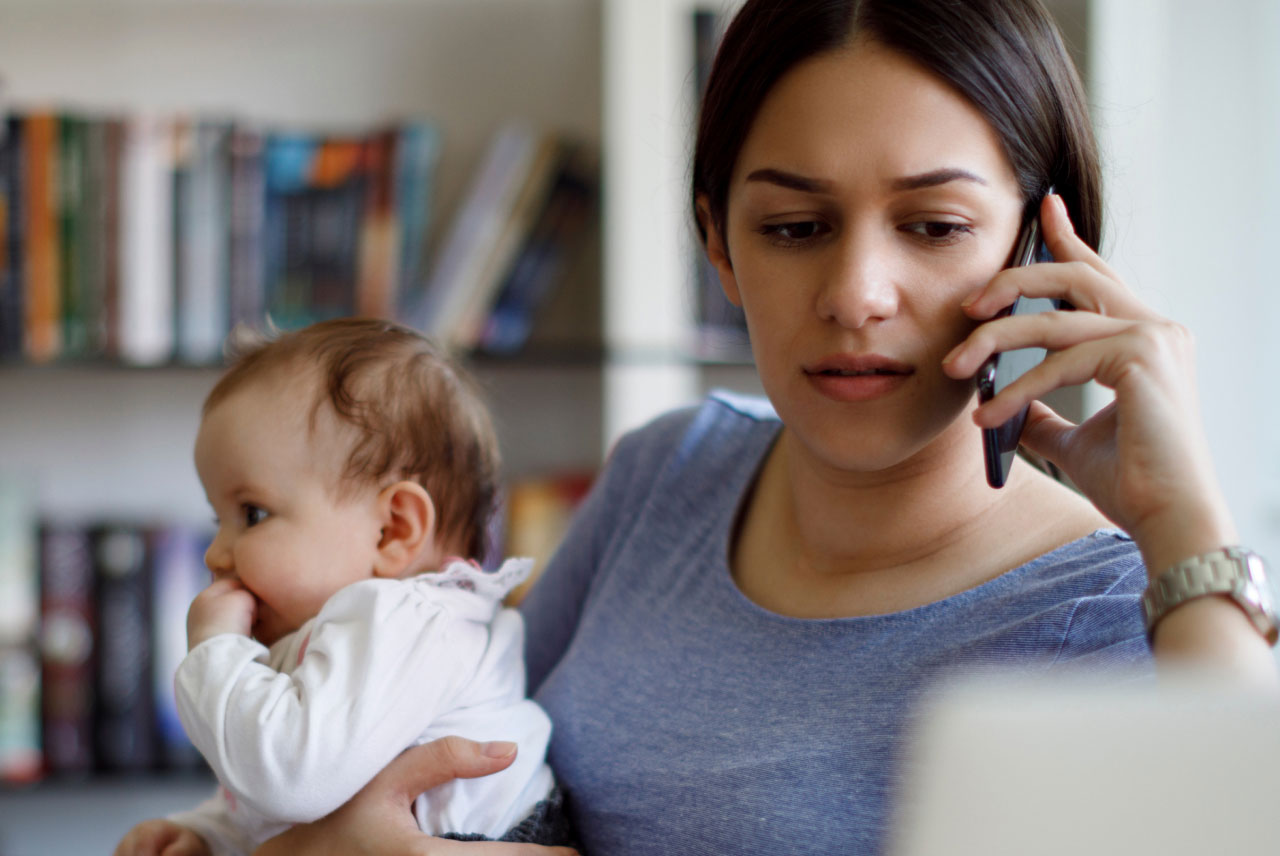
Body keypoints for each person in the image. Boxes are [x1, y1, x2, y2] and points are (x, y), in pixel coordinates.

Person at [252, 1, 1280, 854]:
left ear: (1043, 243)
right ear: (719, 245)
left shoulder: (1116, 609)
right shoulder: (669, 469)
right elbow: (423, 761)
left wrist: (1181, 523)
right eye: (794, 229)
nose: (854, 294)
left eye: (932, 226)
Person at [113, 319, 572, 856]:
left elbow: (289, 777)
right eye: (219, 520)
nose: (216, 555)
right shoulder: (343, 630)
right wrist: (208, 832)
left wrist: (216, 652)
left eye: (252, 514)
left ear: (393, 530)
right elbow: (297, 795)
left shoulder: (406, 618)